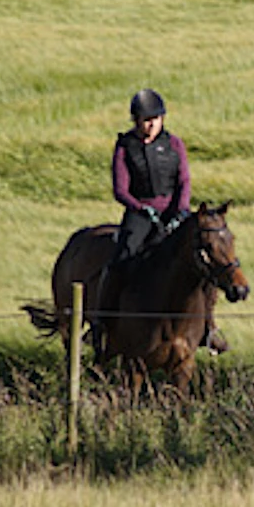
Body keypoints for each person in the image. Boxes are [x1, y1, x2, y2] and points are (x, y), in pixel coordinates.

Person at [98, 88, 228, 354]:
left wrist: (180, 210)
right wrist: (140, 208)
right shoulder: (125, 146)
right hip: (139, 214)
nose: (150, 125)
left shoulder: (174, 144)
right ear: (135, 121)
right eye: (145, 120)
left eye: (154, 119)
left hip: (173, 213)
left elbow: (184, 181)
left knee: (201, 263)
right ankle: (103, 322)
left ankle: (209, 328)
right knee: (121, 260)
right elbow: (120, 189)